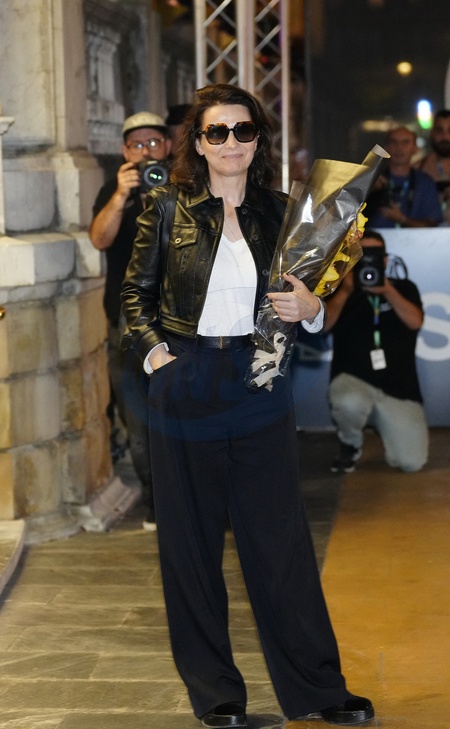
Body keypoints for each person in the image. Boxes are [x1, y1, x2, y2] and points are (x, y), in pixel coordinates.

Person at [121, 83, 374, 728]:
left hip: (261, 378)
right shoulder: (166, 207)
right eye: (217, 131)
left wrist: (311, 308)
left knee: (279, 541)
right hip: (187, 378)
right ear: (199, 143)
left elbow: (310, 297)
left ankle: (319, 689)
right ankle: (217, 695)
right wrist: (158, 358)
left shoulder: (285, 211)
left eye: (243, 130)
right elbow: (134, 296)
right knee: (191, 544)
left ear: (258, 140)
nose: (231, 142)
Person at [89, 111, 172, 532]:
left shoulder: (183, 185)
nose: (146, 152)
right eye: (137, 145)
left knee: (184, 407)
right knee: (137, 415)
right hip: (126, 322)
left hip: (177, 317)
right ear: (125, 152)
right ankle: (156, 501)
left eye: (153, 143)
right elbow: (99, 239)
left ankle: (192, 498)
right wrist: (122, 195)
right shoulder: (113, 190)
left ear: (168, 146)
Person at [325, 230, 428, 474]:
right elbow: (323, 325)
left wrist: (387, 290)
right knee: (348, 401)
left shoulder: (404, 287)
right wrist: (346, 290)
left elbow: (415, 321)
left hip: (398, 388)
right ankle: (350, 443)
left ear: (385, 259)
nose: (369, 260)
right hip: (354, 379)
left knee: (411, 463)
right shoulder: (341, 290)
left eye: (374, 254)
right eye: (363, 254)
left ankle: (386, 423)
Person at [365, 125, 442, 228]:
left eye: (405, 142)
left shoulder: (425, 183)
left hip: (414, 238)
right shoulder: (372, 180)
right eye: (394, 142)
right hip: (374, 237)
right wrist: (370, 193)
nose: (399, 148)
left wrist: (402, 219)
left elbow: (432, 225)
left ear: (415, 149)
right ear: (386, 148)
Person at [417, 109, 450, 225]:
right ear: (432, 133)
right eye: (439, 130)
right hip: (426, 233)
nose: (445, 137)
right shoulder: (418, 167)